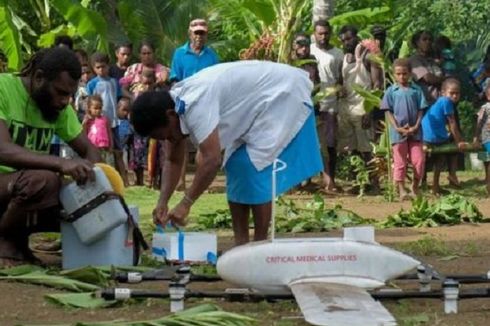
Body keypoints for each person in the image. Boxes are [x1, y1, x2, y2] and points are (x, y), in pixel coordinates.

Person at [130, 61, 323, 246]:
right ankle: (241, 243)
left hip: (281, 95)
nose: (166, 140)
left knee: (253, 165)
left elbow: (212, 160)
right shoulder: (173, 106)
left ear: (170, 116)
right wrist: (162, 202)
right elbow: (172, 159)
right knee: (234, 163)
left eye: (162, 135)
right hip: (253, 108)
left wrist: (185, 204)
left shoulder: (194, 103)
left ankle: (261, 243)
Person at [0, 47, 101, 267]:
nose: (66, 101)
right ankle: (4, 242)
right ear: (38, 78)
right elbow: (2, 149)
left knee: (74, 201)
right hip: (7, 185)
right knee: (45, 180)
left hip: (21, 190)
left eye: (70, 95)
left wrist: (94, 181)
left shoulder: (58, 108)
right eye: (61, 92)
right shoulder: (3, 88)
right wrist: (61, 163)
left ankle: (17, 244)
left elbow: (90, 150)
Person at [170, 18, 220, 191]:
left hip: (205, 104)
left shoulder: (212, 56)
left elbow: (217, 80)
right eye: (196, 33)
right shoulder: (179, 54)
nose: (199, 36)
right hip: (184, 102)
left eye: (202, 33)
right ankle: (180, 181)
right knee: (182, 142)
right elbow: (175, 78)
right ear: (190, 33)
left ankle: (201, 181)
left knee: (204, 144)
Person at [337, 25, 383, 192]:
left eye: (349, 39)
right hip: (346, 109)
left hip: (363, 107)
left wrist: (369, 110)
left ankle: (375, 183)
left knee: (367, 149)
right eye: (343, 40)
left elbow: (377, 84)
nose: (346, 42)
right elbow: (341, 81)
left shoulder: (368, 55)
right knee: (352, 149)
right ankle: (360, 183)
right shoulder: (343, 57)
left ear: (356, 37)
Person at [120, 41, 169, 186]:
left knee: (157, 147)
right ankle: (139, 179)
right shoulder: (133, 69)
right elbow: (122, 88)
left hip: (157, 115)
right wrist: (133, 98)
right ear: (139, 54)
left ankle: (156, 179)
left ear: (154, 54)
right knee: (138, 147)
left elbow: (167, 87)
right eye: (143, 53)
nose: (146, 56)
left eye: (149, 53)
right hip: (138, 114)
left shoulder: (162, 70)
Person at [381, 59, 428, 200]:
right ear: (394, 74)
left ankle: (415, 186)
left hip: (415, 132)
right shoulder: (391, 91)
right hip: (398, 132)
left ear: (410, 73)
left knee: (419, 161)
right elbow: (388, 111)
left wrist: (416, 126)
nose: (402, 77)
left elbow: (421, 110)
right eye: (399, 74)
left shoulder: (416, 90)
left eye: (405, 73)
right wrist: (396, 127)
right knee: (400, 162)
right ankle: (401, 190)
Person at [310, 19, 344, 193]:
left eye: (326, 33)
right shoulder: (308, 50)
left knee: (330, 144)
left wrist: (338, 91)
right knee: (311, 143)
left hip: (330, 105)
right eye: (320, 33)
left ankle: (331, 179)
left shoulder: (338, 53)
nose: (323, 36)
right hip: (311, 104)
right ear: (314, 33)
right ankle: (309, 179)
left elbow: (340, 79)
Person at [421, 78, 467, 194]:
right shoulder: (446, 102)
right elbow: (452, 122)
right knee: (441, 157)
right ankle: (436, 185)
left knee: (436, 158)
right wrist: (459, 141)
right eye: (452, 93)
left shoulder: (440, 101)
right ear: (443, 93)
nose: (455, 96)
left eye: (457, 93)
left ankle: (430, 185)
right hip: (434, 136)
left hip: (425, 135)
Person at [87, 52, 122, 169]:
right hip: (99, 122)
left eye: (104, 66)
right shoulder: (92, 84)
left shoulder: (113, 82)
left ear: (108, 66)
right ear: (93, 68)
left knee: (117, 149)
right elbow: (89, 102)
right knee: (99, 147)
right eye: (98, 67)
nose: (101, 69)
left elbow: (117, 99)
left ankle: (121, 175)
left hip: (113, 121)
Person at [83, 95, 113, 163]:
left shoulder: (105, 119)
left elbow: (109, 132)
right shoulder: (87, 120)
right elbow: (84, 132)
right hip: (92, 146)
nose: (98, 110)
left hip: (103, 146)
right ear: (89, 108)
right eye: (95, 108)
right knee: (94, 163)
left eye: (100, 108)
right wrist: (84, 123)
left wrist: (111, 145)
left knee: (103, 162)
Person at [473, 83, 490, 195]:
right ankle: (488, 180)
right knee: (486, 160)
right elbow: (479, 123)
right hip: (486, 138)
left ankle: (488, 181)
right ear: (488, 96)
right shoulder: (485, 108)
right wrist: (476, 137)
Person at [116, 97, 133, 186]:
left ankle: (125, 181)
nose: (125, 113)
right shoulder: (114, 122)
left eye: (127, 111)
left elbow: (129, 135)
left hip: (123, 149)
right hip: (115, 148)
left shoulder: (127, 122)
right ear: (117, 108)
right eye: (123, 110)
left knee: (124, 166)